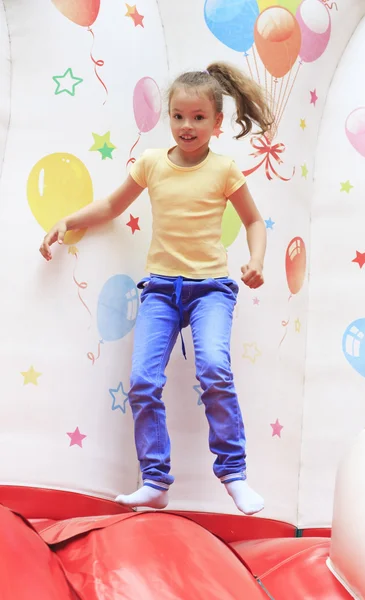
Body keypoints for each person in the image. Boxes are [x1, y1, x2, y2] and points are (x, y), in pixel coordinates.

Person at [40, 62, 272, 515]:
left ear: (217, 123)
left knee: (214, 372)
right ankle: (155, 480)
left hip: (211, 290)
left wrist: (257, 260)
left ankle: (234, 473)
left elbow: (253, 221)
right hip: (161, 290)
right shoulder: (151, 164)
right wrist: (68, 220)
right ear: (169, 117)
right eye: (179, 116)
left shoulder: (225, 170)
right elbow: (111, 205)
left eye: (199, 117)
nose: (188, 126)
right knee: (144, 382)